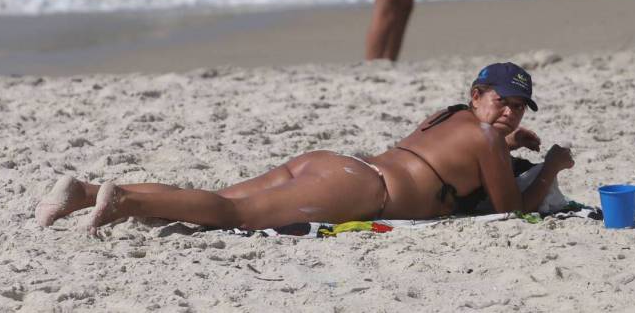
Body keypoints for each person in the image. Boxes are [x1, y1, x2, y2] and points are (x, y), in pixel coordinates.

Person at [36, 62, 575, 233]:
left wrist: (504, 141)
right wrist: (548, 165)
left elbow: (442, 154)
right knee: (232, 213)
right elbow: (511, 213)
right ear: (477, 96)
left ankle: (84, 191)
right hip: (362, 186)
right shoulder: (485, 138)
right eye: (501, 102)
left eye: (519, 108)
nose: (509, 113)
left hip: (336, 164)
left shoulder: (450, 117)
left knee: (217, 201)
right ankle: (121, 200)